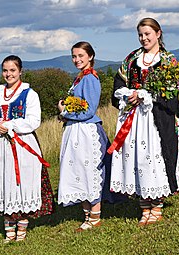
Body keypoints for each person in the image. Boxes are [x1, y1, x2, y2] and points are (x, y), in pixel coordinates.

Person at [109, 18, 179, 226]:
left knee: (154, 159)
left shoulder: (167, 60)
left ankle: (157, 205)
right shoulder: (132, 58)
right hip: (134, 119)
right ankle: (144, 206)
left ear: (158, 33)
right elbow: (119, 83)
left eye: (147, 34)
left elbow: (170, 93)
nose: (144, 38)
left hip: (156, 120)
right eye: (140, 35)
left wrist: (145, 95)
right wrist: (128, 94)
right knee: (137, 159)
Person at [0, 55, 54, 242]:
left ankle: (22, 228)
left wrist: (9, 125)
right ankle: (9, 229)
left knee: (21, 183)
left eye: (12, 70)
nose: (9, 74)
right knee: (2, 182)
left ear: (20, 71)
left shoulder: (29, 94)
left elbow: (33, 121)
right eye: (5, 70)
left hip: (21, 144)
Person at [57, 41, 113, 231]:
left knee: (90, 171)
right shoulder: (80, 78)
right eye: (74, 56)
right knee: (78, 171)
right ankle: (87, 214)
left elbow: (89, 110)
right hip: (75, 130)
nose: (77, 59)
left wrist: (65, 112)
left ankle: (95, 216)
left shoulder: (90, 79)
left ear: (90, 56)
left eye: (81, 56)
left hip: (86, 131)